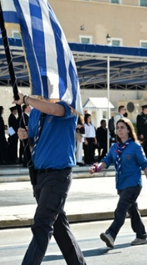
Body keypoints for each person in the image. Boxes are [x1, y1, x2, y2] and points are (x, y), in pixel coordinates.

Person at [14, 90, 86, 265]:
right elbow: (34, 143)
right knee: (59, 227)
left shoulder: (68, 106)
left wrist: (26, 99)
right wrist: (24, 136)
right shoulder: (35, 113)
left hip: (58, 175)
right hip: (40, 175)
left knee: (42, 224)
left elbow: (54, 110)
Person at [90, 117, 147, 248]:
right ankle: (141, 235)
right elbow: (106, 161)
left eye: (122, 127)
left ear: (129, 130)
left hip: (133, 184)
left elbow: (145, 165)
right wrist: (97, 167)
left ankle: (111, 234)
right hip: (121, 184)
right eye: (118, 128)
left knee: (121, 209)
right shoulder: (115, 147)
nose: (119, 130)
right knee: (133, 210)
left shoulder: (135, 146)